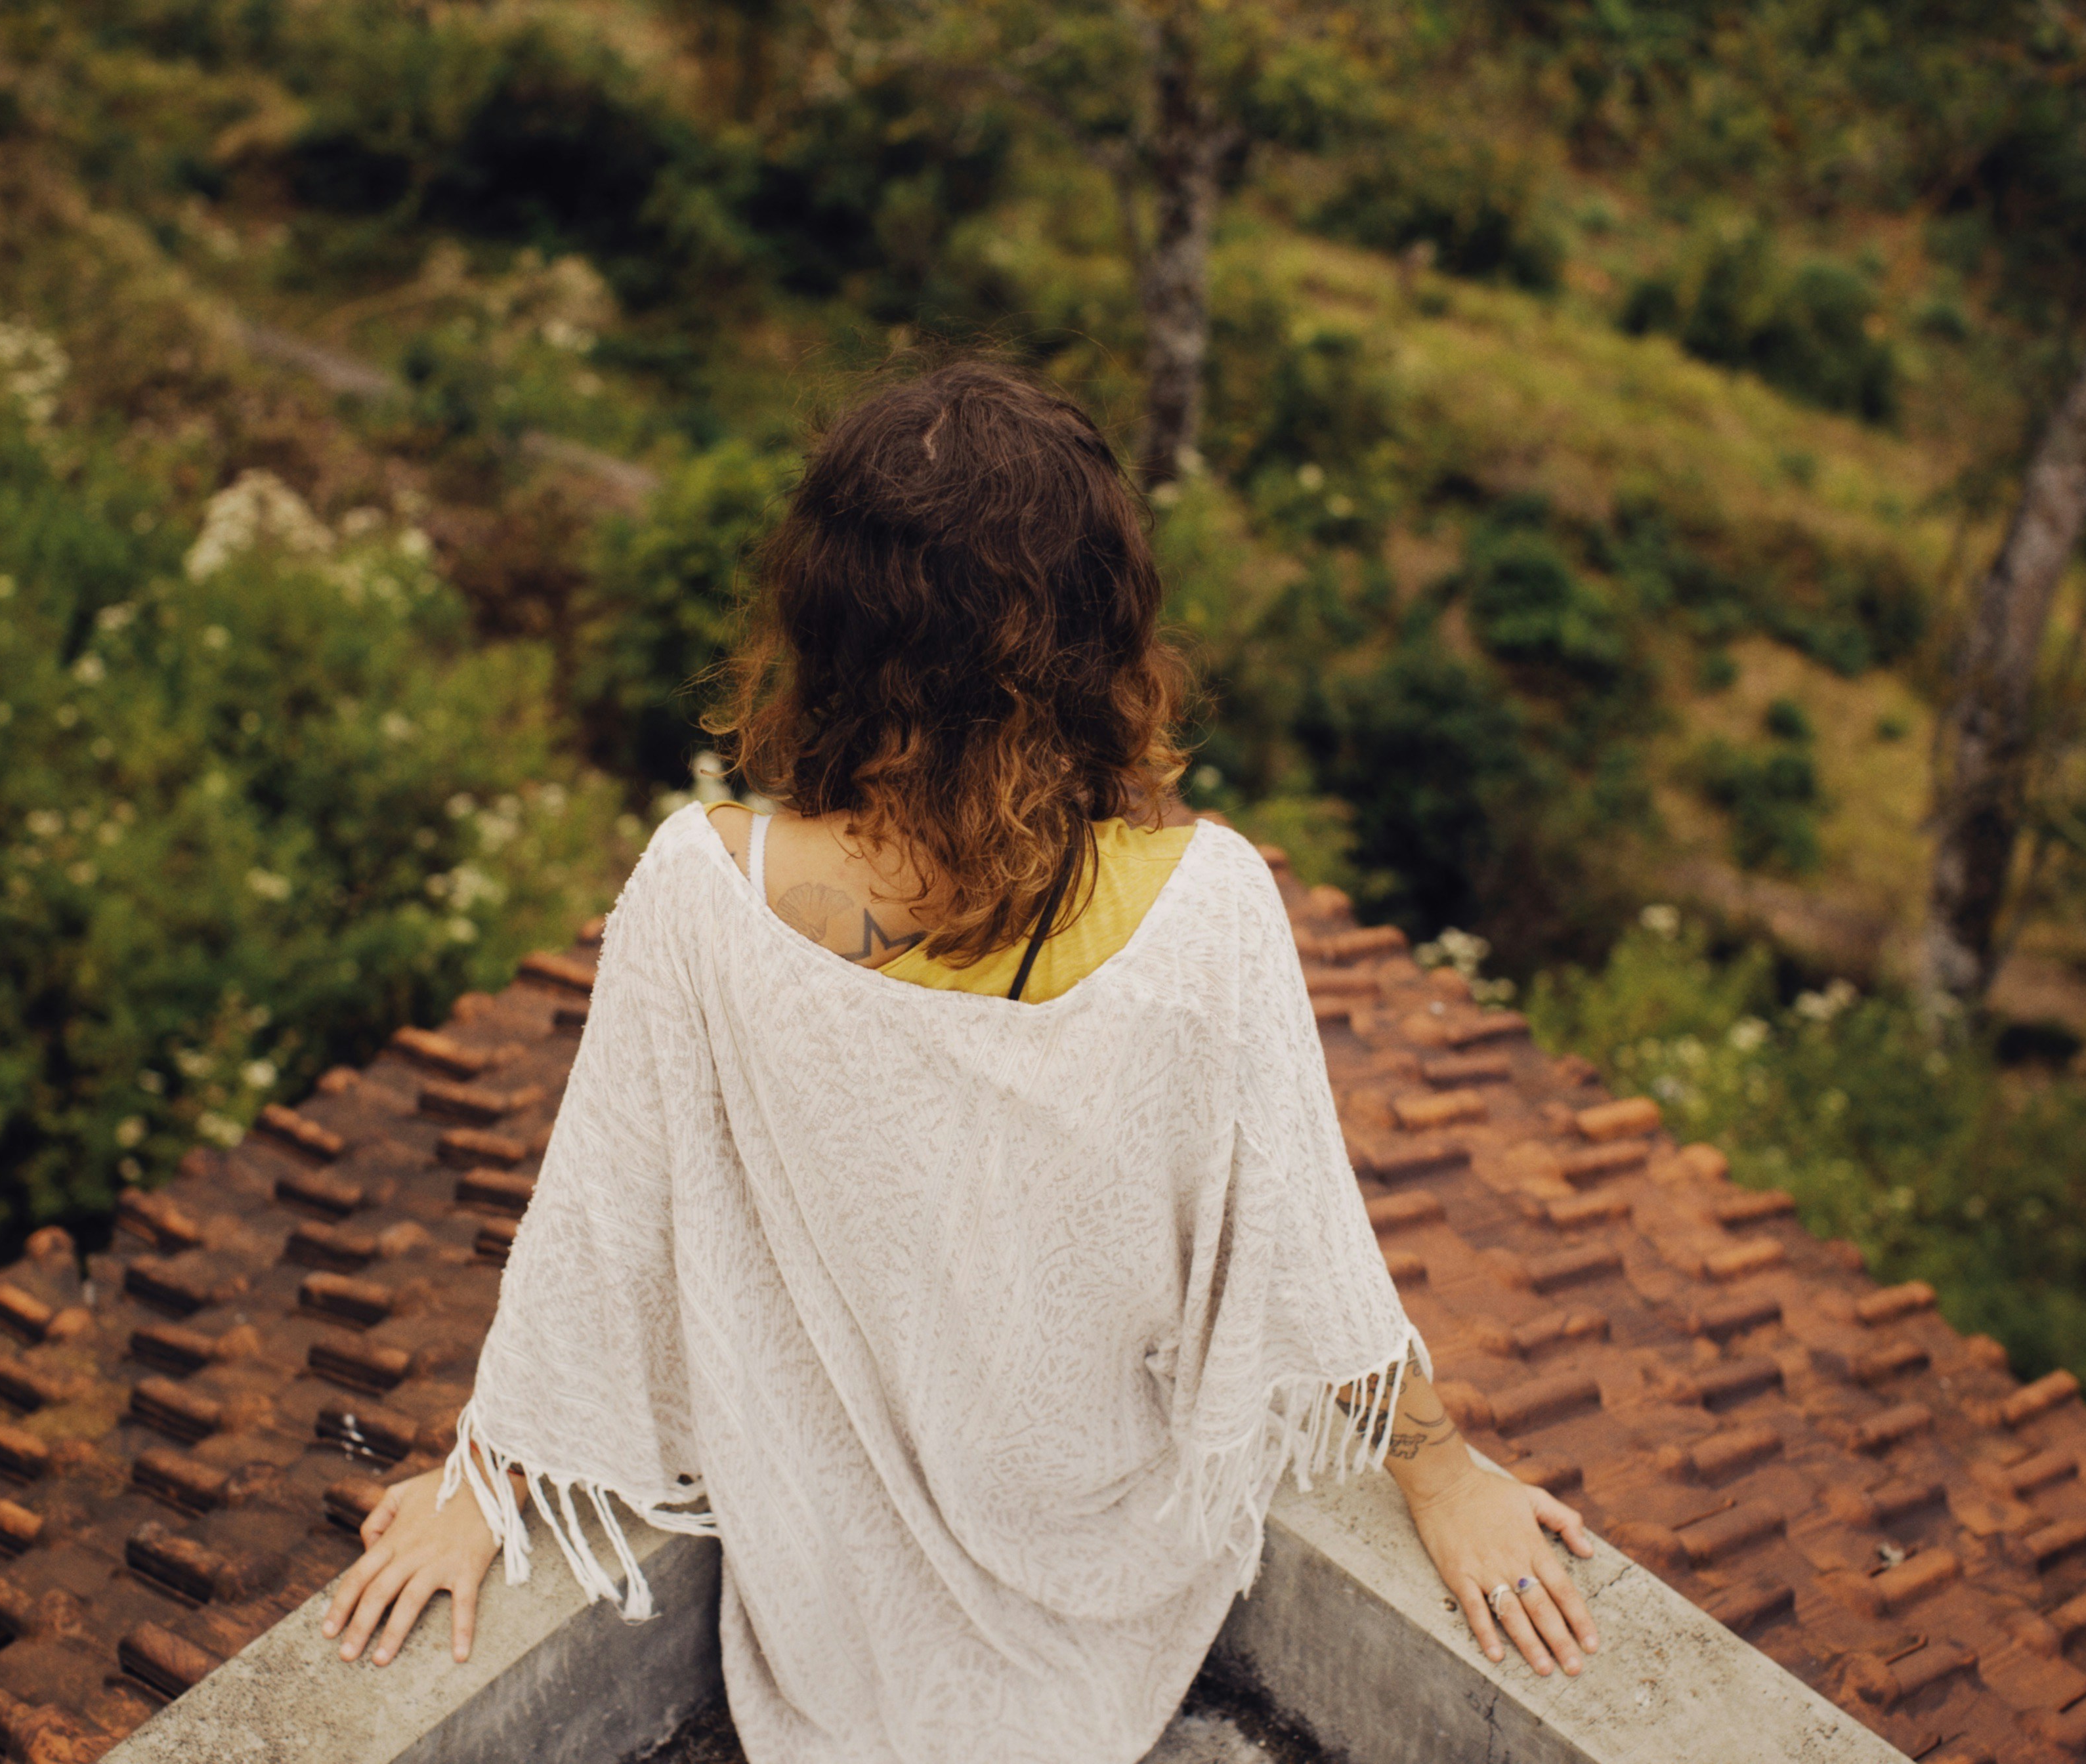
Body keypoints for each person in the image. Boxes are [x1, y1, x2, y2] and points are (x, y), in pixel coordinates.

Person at [318, 360, 1600, 1760]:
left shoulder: (704, 892)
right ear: (1102, 638)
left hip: (825, 1616)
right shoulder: (1210, 908)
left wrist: (486, 1475)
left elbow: (601, 1229)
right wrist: (1444, 1476)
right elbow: (1300, 1251)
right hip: (1120, 1593)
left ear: (822, 621)